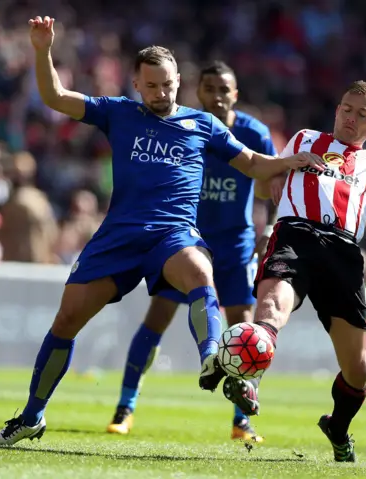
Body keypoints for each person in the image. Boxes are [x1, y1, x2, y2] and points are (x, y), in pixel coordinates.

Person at [0, 16, 316, 447]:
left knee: (199, 271)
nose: (162, 93)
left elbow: (252, 163)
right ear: (137, 85)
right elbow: (55, 97)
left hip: (172, 234)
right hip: (119, 235)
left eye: (169, 85)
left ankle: (211, 357)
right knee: (66, 321)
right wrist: (43, 50)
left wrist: (290, 162)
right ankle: (31, 417)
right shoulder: (118, 112)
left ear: (179, 81)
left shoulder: (203, 125)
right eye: (153, 86)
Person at [221, 81, 366, 462]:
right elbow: (270, 186)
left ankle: (338, 427)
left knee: (359, 371)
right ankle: (247, 378)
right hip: (295, 234)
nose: (351, 118)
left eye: (362, 114)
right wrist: (284, 171)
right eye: (347, 109)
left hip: (342, 251)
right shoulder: (304, 138)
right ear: (337, 108)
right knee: (270, 311)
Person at [106, 61, 278, 442]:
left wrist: (270, 229)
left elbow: (272, 182)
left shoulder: (254, 133)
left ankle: (241, 420)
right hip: (184, 240)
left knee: (243, 330)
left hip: (234, 245)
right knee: (157, 319)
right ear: (197, 92)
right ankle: (125, 406)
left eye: (224, 90)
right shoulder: (184, 125)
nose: (216, 96)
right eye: (209, 89)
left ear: (236, 94)